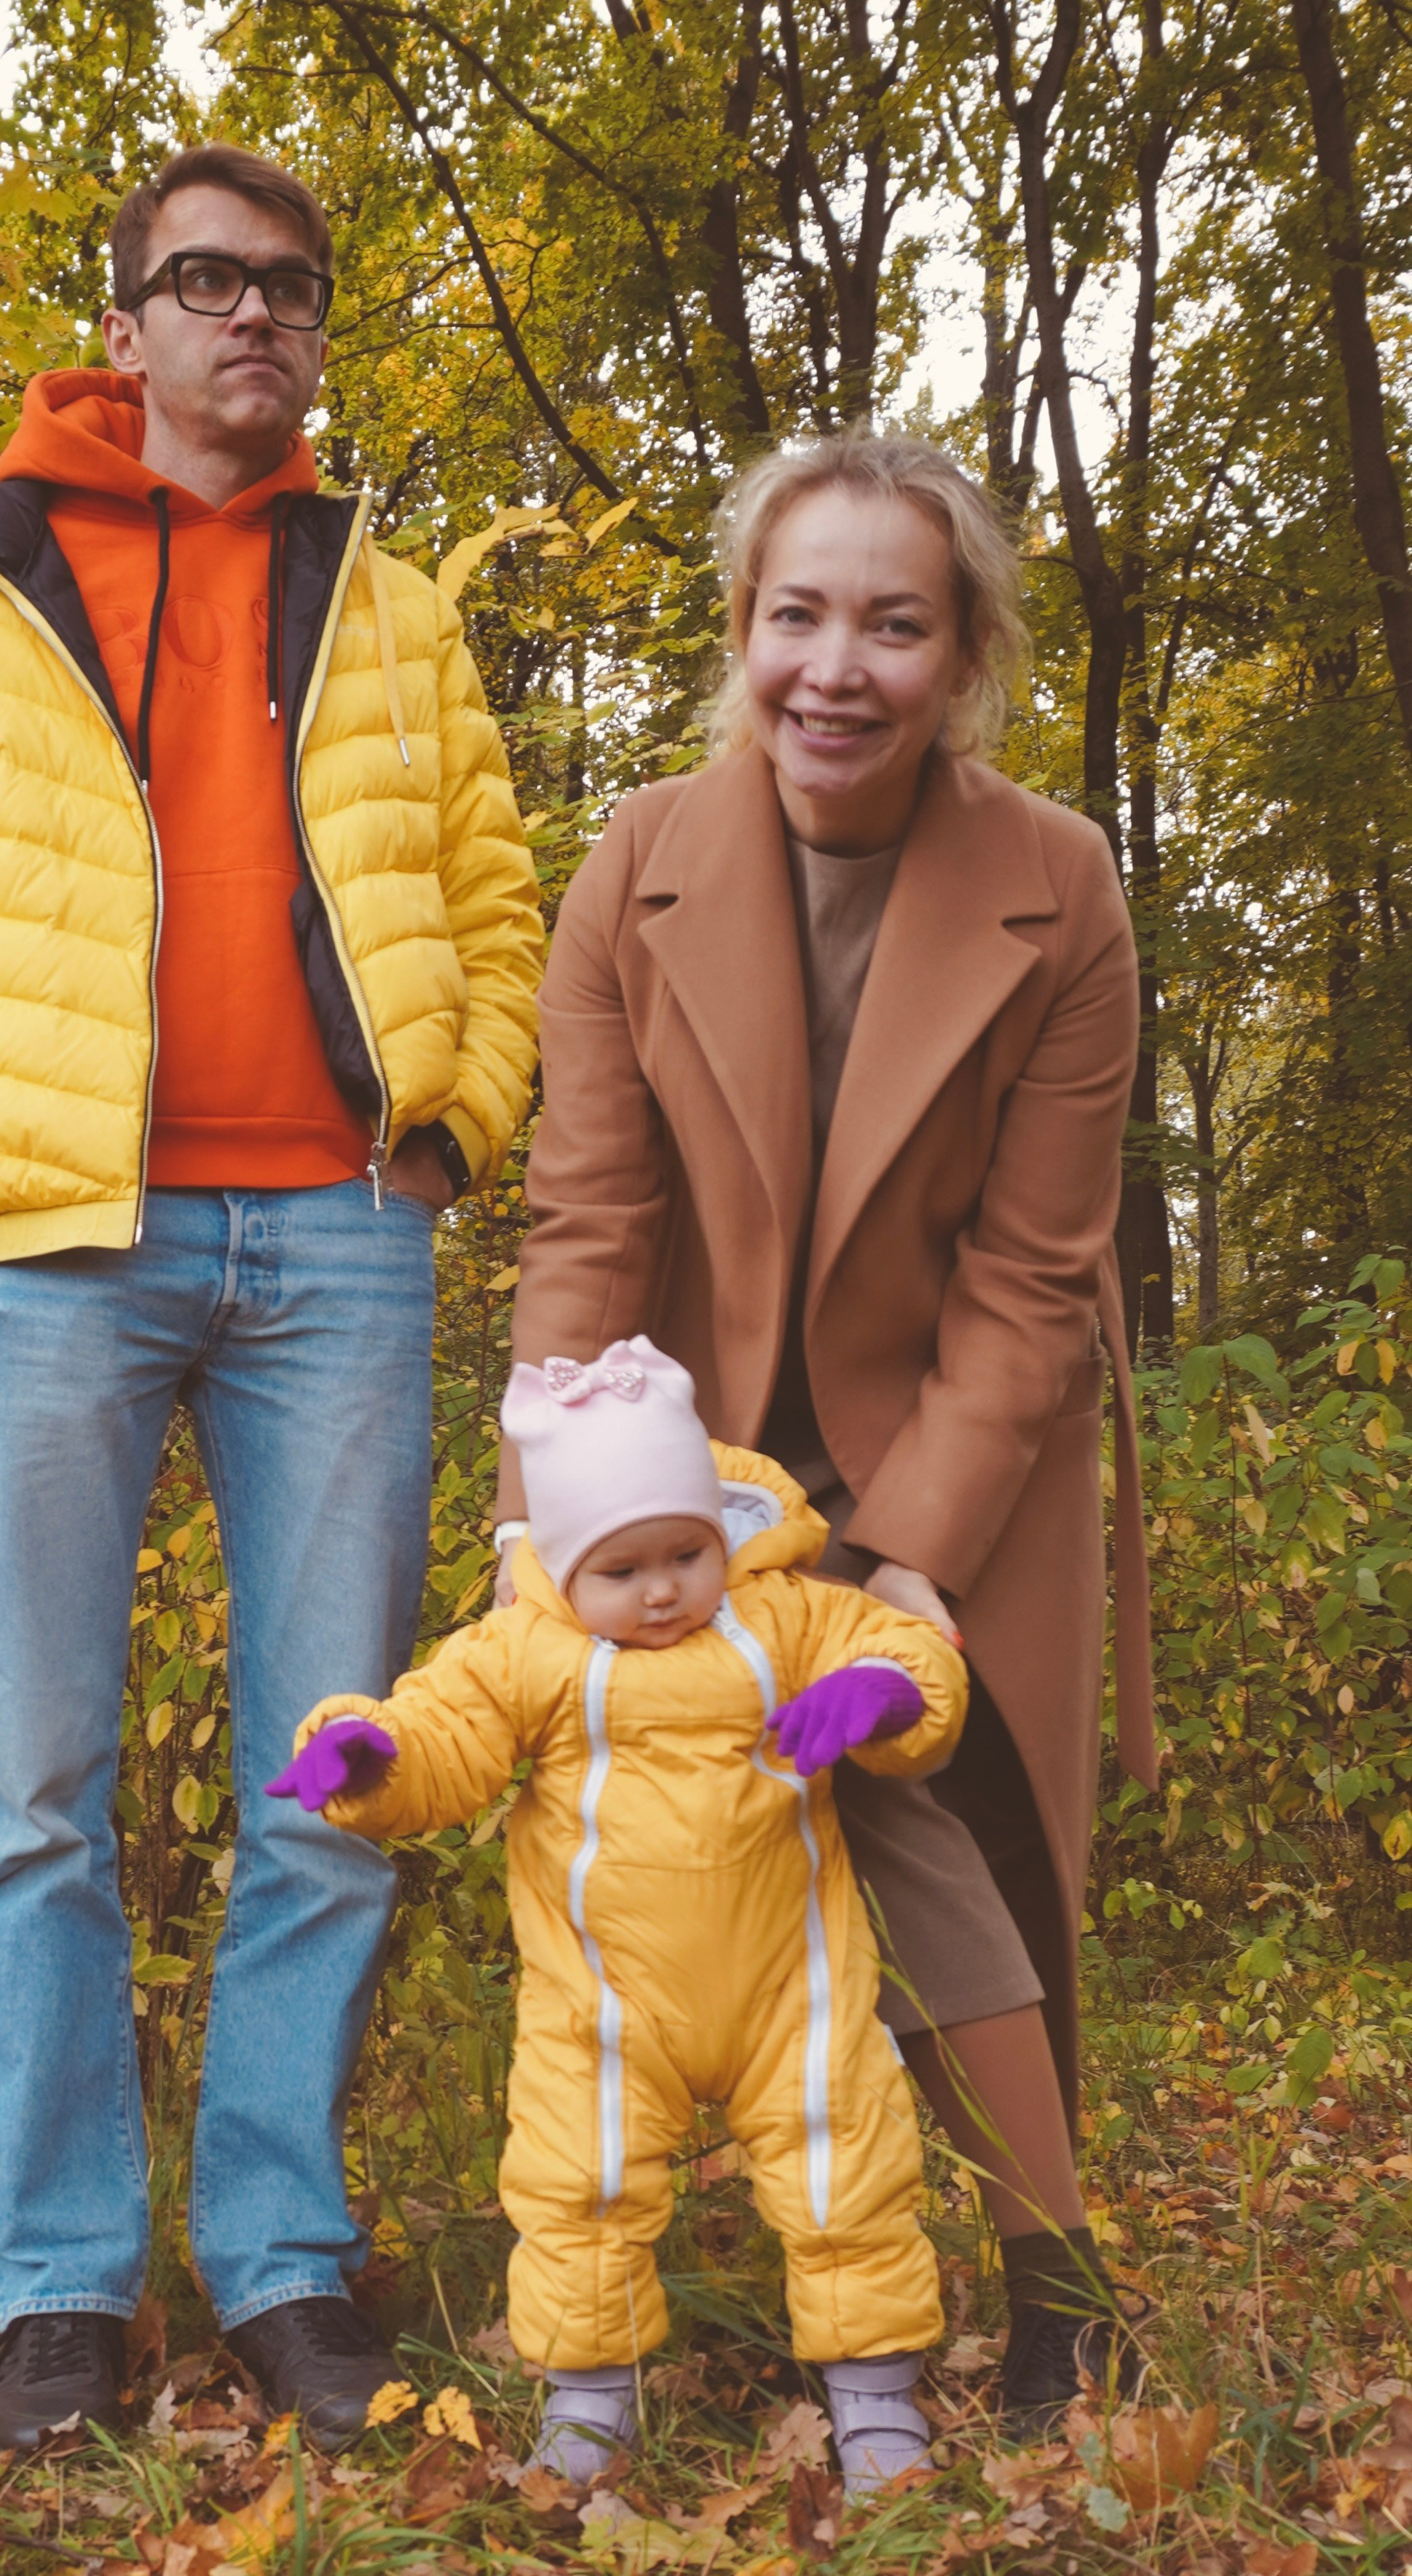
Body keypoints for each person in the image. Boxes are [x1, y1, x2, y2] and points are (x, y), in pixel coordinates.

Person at [0, 142, 543, 2456]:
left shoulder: (391, 603)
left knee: (328, 1782)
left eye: (290, 287)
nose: (252, 316)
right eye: (202, 281)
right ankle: (60, 2291)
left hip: (333, 1238)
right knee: (33, 1790)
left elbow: (498, 908)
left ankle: (282, 2261)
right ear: (119, 326)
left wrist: (450, 1126)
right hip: (48, 1249)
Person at [497, 430, 1156, 2434]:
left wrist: (906, 1575)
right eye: (797, 615)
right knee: (642, 1831)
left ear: (959, 658)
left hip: (954, 1424)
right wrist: (546, 1510)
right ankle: (657, 2264)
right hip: (676, 1445)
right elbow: (589, 1212)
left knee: (937, 1823)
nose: (833, 667)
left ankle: (1056, 2284)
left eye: (891, 621)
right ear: (741, 633)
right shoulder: (638, 854)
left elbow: (1035, 1274)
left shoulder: (1057, 885)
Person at [269, 1339, 968, 2494]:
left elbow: (899, 1650)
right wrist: (368, 1755)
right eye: (621, 1568)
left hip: (793, 1983)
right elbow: (445, 1736)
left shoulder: (782, 1616)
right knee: (573, 2185)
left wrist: (885, 1693)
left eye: (685, 1553)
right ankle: (590, 2399)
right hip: (605, 2000)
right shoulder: (523, 1651)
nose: (658, 1589)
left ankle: (874, 2396)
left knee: (848, 2166)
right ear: (556, 1565)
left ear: (718, 1533)